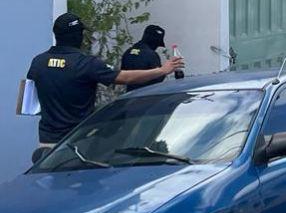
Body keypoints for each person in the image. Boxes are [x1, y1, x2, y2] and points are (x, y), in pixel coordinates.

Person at [26, 13, 183, 146]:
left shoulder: (38, 62)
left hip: (47, 143)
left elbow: (27, 104)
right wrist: (162, 70)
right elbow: (124, 77)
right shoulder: (86, 64)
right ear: (79, 36)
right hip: (76, 142)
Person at [120, 24, 167, 92]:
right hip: (146, 95)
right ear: (154, 43)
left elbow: (122, 74)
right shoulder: (151, 55)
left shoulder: (128, 52)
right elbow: (158, 78)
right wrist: (165, 70)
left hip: (130, 96)